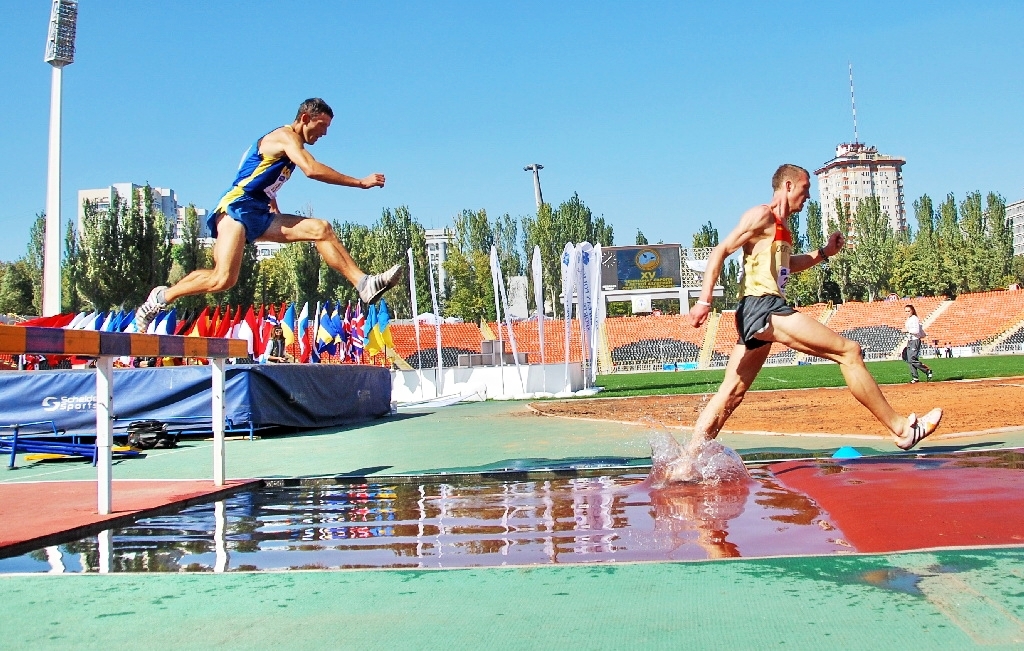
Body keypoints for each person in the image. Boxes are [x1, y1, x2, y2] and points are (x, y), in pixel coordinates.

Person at [679, 164, 941, 473]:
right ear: (788, 186)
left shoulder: (780, 228)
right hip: (763, 308)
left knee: (731, 394)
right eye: (805, 190)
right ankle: (902, 430)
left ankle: (687, 463)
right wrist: (704, 300)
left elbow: (789, 264)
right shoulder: (762, 215)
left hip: (759, 311)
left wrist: (824, 253)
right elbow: (720, 250)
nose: (807, 197)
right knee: (849, 351)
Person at [134, 98, 402, 333]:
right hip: (236, 209)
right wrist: (360, 182)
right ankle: (162, 297)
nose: (324, 134)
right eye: (322, 126)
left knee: (321, 229)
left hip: (261, 213)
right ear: (305, 118)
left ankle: (363, 283)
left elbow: (265, 181)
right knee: (223, 279)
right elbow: (311, 169)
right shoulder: (286, 137)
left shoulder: (288, 148)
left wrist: (275, 210)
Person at [903, 305, 933, 383]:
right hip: (910, 340)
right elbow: (920, 329)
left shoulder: (914, 319)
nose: (907, 313)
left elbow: (916, 330)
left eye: (908, 311)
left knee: (912, 359)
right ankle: (915, 377)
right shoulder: (909, 319)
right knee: (910, 360)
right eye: (905, 311)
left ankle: (927, 370)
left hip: (915, 340)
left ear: (912, 310)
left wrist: (907, 330)